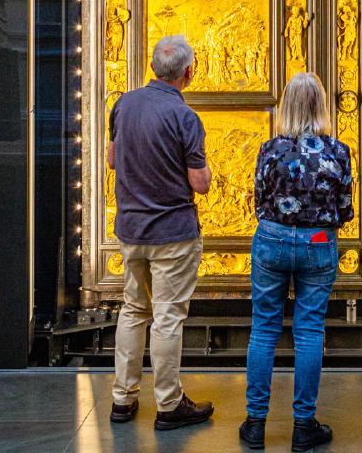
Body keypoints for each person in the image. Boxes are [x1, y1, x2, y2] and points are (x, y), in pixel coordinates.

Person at [240, 73, 353, 452]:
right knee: (308, 332)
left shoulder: (269, 149)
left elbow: (257, 200)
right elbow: (345, 209)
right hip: (318, 242)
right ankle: (303, 425)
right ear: (321, 105)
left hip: (272, 238)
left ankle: (255, 424)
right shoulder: (337, 151)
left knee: (264, 330)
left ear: (286, 106)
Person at [108, 35, 214, 431]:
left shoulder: (123, 103)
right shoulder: (185, 116)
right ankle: (169, 404)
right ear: (189, 72)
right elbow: (199, 183)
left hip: (131, 228)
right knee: (168, 317)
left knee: (133, 309)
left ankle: (123, 398)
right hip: (173, 232)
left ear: (154, 67)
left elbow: (113, 159)